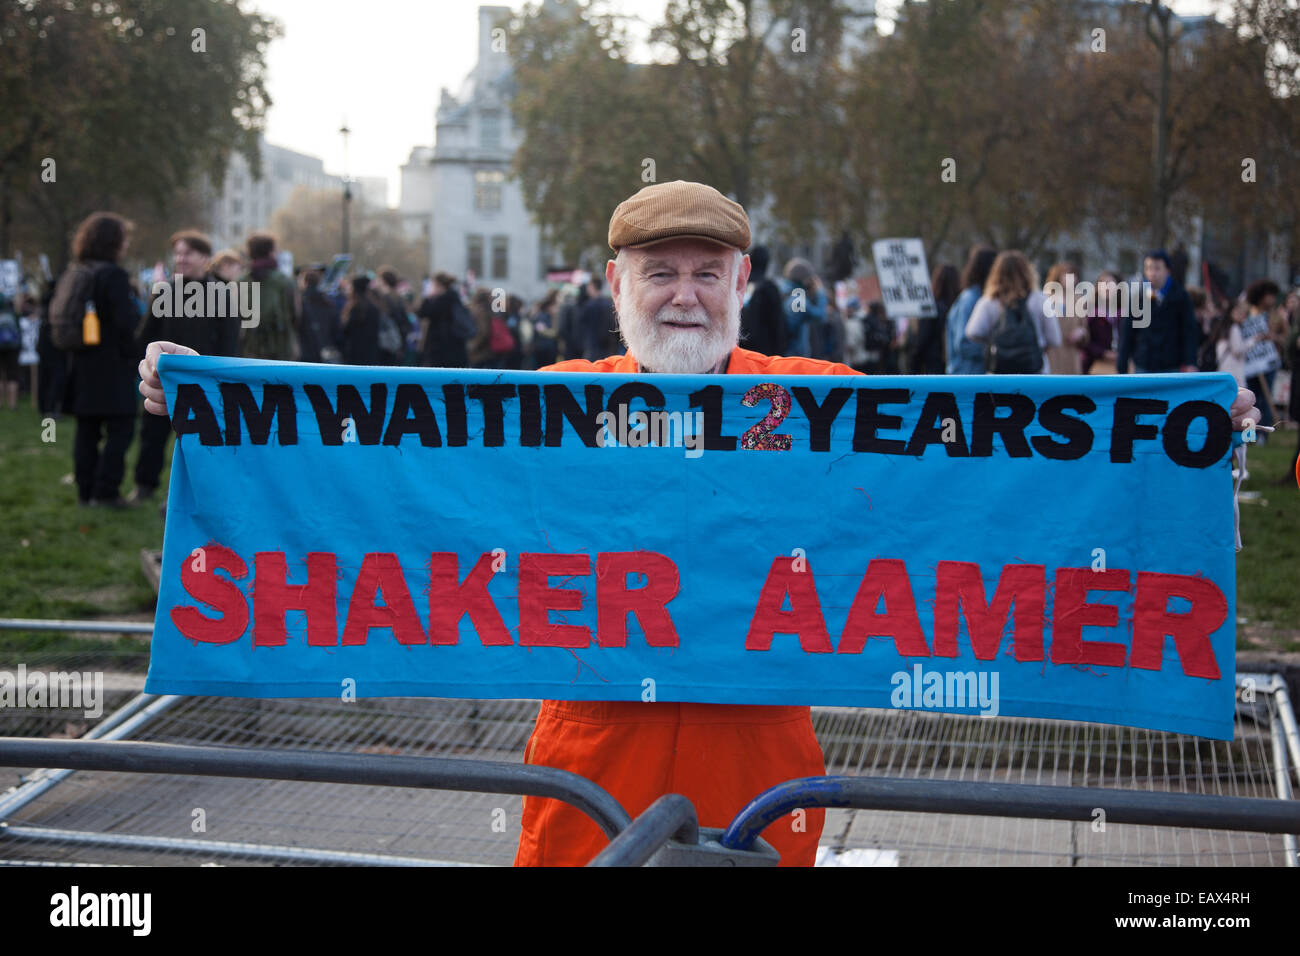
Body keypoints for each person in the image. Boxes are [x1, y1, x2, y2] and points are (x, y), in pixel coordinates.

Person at [137, 181, 1263, 867]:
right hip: (588, 758)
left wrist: (1193, 430)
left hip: (759, 755)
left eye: (706, 273)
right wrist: (218, 399)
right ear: (617, 282)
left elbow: (984, 463)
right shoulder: (563, 393)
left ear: (744, 282)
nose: (684, 294)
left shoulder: (811, 391)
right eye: (660, 272)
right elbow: (389, 448)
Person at [132, 229, 240, 503]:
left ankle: (186, 497)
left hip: (204, 382)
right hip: (164, 379)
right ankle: (144, 486)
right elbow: (145, 335)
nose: (180, 259)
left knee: (198, 442)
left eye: (187, 253)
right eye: (177, 253)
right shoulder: (164, 291)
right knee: (152, 436)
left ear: (205, 257)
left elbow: (229, 342)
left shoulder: (223, 293)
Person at [59, 212, 140, 507]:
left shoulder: (79, 271)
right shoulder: (114, 276)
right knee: (122, 429)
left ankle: (85, 491)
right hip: (112, 366)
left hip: (82, 363)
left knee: (87, 431)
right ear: (113, 241)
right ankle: (106, 491)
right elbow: (126, 322)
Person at [964, 251, 1061, 374]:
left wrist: (993, 340)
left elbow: (972, 331)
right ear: (1027, 272)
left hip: (999, 372)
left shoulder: (989, 302)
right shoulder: (1040, 300)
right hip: (1034, 372)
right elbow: (1054, 339)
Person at [1117, 250, 1198, 374]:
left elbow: (1189, 331)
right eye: (1149, 268)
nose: (1152, 273)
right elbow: (1127, 333)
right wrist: (1121, 366)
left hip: (1171, 365)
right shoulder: (1138, 297)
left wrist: (1191, 362)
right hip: (1144, 364)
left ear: (1167, 270)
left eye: (1157, 268)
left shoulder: (1181, 297)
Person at [240, 232, 297, 360]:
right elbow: (295, 315)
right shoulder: (285, 281)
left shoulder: (241, 281)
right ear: (271, 252)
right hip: (280, 349)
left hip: (249, 349)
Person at [946, 246, 996, 374]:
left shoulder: (974, 297)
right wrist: (994, 350)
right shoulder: (970, 299)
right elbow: (964, 343)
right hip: (967, 375)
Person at [416, 272, 472, 369]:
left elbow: (422, 312)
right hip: (456, 350)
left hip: (441, 350)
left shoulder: (441, 302)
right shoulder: (455, 299)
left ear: (439, 286)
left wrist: (428, 297)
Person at [739, 244, 786, 357]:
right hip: (764, 352)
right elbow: (777, 323)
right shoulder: (769, 287)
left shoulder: (739, 285)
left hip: (740, 350)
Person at [910, 264, 956, 375]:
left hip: (933, 365)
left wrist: (914, 365)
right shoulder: (956, 306)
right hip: (953, 364)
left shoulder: (931, 308)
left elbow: (922, 340)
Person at [1043, 261, 1084, 375]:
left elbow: (1085, 329)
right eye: (1066, 275)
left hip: (1071, 356)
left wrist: (1081, 333)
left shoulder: (1079, 300)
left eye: (1074, 275)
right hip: (1051, 355)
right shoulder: (1045, 299)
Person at [297, 268, 342, 363]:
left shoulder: (301, 304)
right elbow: (336, 330)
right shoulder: (328, 304)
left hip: (305, 352)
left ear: (304, 282)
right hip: (326, 352)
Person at [1080, 270, 1121, 374]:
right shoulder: (1088, 312)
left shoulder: (1126, 312)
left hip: (1121, 364)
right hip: (1094, 366)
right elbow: (1085, 340)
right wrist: (1103, 353)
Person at [339, 275, 382, 366]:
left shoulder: (354, 308)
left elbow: (345, 330)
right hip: (370, 353)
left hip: (354, 353)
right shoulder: (374, 308)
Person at [578, 276, 617, 361]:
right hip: (608, 347)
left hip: (592, 347)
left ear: (592, 286)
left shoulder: (588, 306)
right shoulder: (609, 303)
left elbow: (581, 326)